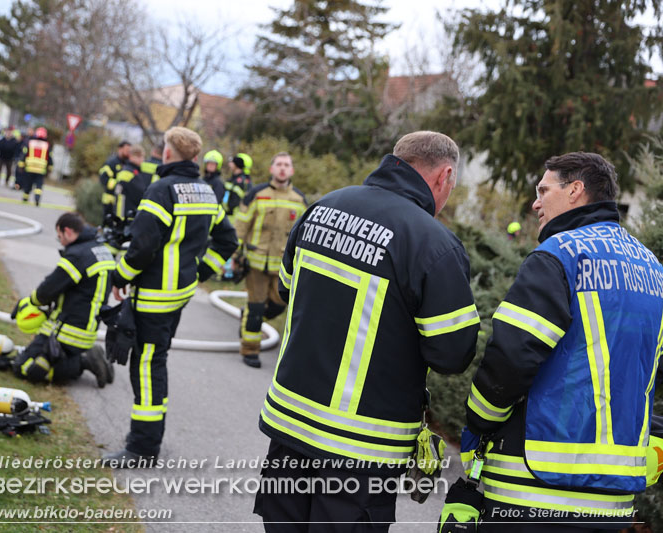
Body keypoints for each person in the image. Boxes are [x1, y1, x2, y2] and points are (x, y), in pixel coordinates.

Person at [253, 131, 480, 530]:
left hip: (289, 422)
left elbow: (288, 289)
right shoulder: (433, 243)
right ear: (444, 176)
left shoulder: (321, 207)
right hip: (361, 446)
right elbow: (452, 354)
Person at [457, 152, 663, 532]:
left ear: (575, 191)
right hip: (613, 501)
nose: (535, 202)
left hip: (534, 490)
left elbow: (512, 357)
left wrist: (478, 423)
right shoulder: (654, 269)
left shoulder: (557, 255)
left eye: (544, 190)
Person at [103, 126, 238, 466]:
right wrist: (200, 272)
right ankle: (147, 438)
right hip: (178, 294)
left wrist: (119, 275)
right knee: (155, 361)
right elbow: (227, 240)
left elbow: (143, 247)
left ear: (166, 153)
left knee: (147, 366)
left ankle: (143, 448)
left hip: (153, 296)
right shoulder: (206, 192)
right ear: (195, 157)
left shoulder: (161, 190)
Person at [12, 212, 114, 387]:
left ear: (67, 231)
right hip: (87, 330)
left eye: (59, 237)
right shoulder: (101, 249)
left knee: (24, 367)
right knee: (40, 360)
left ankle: (83, 361)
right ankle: (88, 358)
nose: (60, 242)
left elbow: (47, 291)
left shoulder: (77, 256)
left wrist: (29, 303)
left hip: (66, 332)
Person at [233, 151, 307, 368]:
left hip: (282, 266)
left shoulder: (300, 200)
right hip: (255, 263)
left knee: (278, 305)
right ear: (271, 169)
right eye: (279, 164)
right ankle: (250, 350)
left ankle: (246, 319)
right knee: (256, 308)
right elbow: (241, 225)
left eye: (287, 164)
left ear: (292, 170)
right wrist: (236, 255)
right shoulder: (257, 194)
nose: (282, 168)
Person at [114, 145, 152, 222]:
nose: (142, 160)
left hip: (125, 214)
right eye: (140, 157)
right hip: (126, 215)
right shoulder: (129, 173)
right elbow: (140, 194)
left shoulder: (130, 170)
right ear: (131, 157)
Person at [17, 127, 53, 206]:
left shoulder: (30, 143)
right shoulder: (47, 145)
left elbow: (23, 155)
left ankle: (25, 197)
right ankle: (37, 198)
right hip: (41, 170)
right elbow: (49, 158)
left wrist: (21, 166)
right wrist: (50, 169)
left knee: (28, 184)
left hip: (29, 168)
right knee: (39, 186)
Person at [99, 141, 132, 222]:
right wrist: (118, 185)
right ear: (120, 149)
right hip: (110, 200)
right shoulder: (111, 163)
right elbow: (103, 178)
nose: (128, 152)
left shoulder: (128, 163)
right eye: (126, 150)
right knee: (108, 222)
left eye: (130, 150)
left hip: (122, 202)